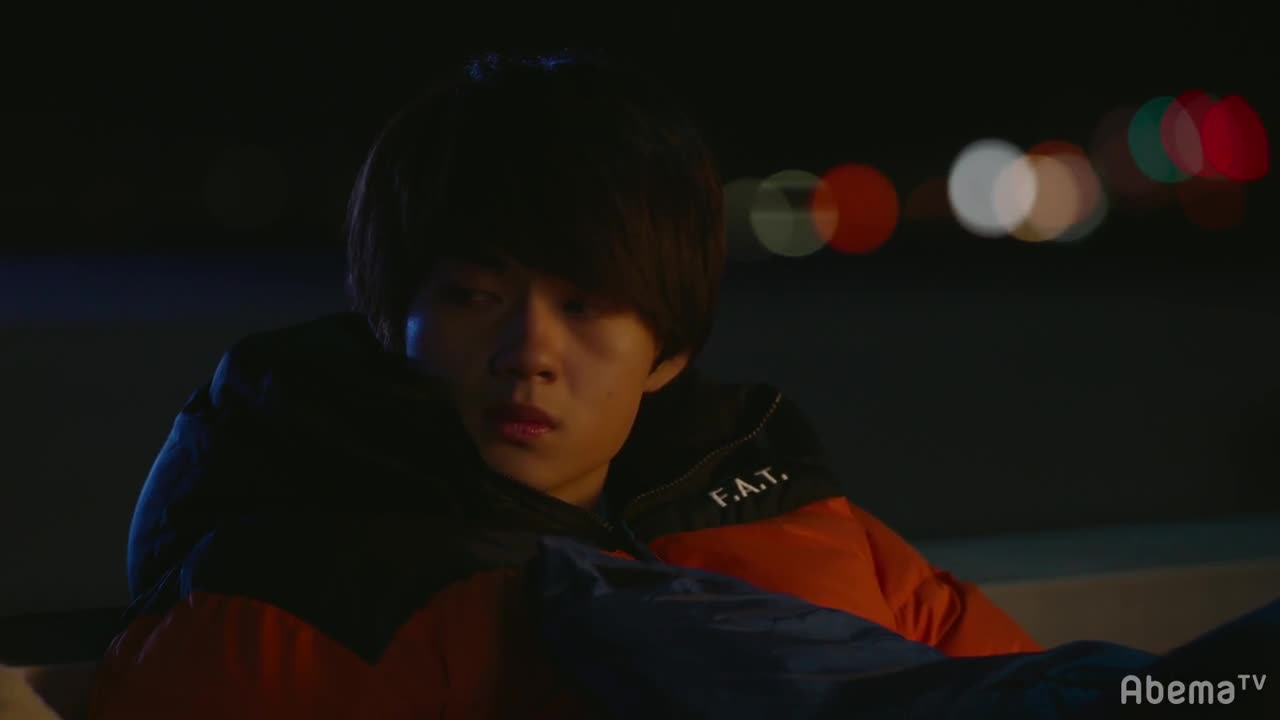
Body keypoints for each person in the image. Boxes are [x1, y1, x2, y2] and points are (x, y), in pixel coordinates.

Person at [88, 49, 1039, 719]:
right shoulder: (300, 601)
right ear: (391, 318)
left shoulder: (774, 506)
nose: (528, 351)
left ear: (667, 351)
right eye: (474, 296)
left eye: (586, 306)